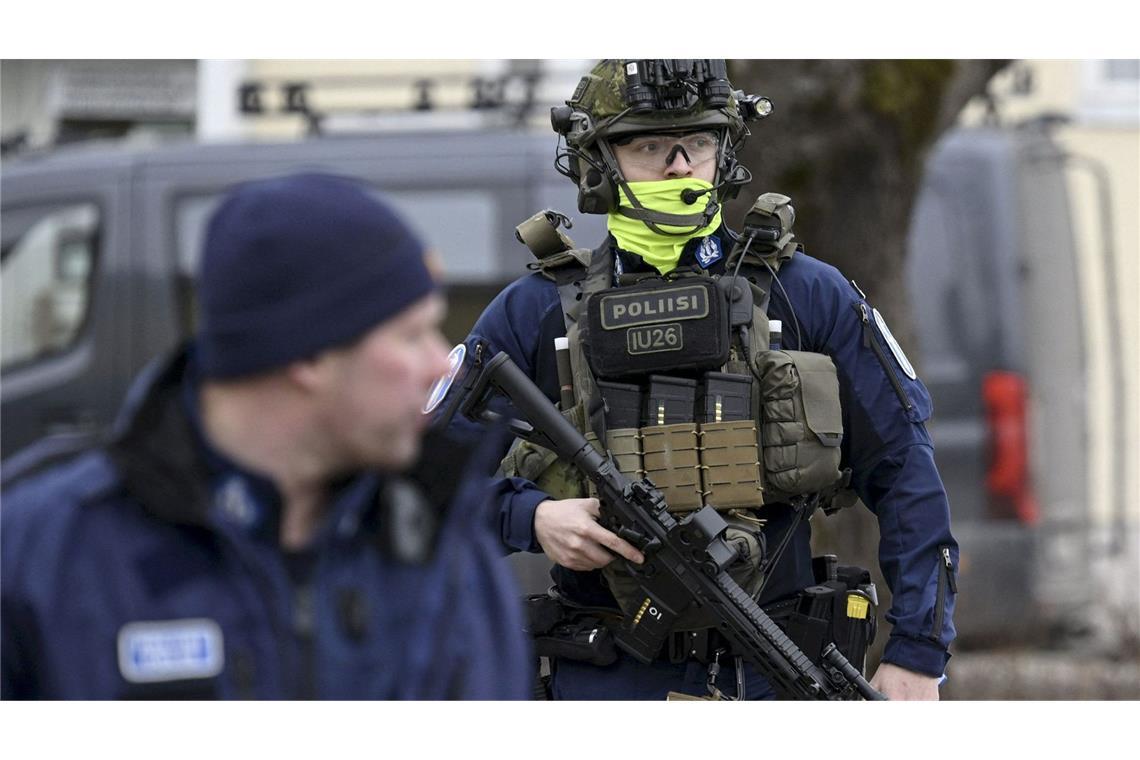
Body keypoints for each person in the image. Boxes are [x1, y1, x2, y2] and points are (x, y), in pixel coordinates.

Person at [446, 59, 958, 700]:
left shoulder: (807, 296)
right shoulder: (536, 311)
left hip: (777, 666)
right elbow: (414, 494)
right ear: (599, 163)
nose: (680, 165)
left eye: (700, 143)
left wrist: (918, 651)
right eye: (650, 145)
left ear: (727, 152)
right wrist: (532, 517)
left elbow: (905, 470)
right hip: (609, 675)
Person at [1, 172, 532, 699]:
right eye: (411, 334)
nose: (440, 364)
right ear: (306, 354)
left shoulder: (446, 555)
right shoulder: (45, 558)